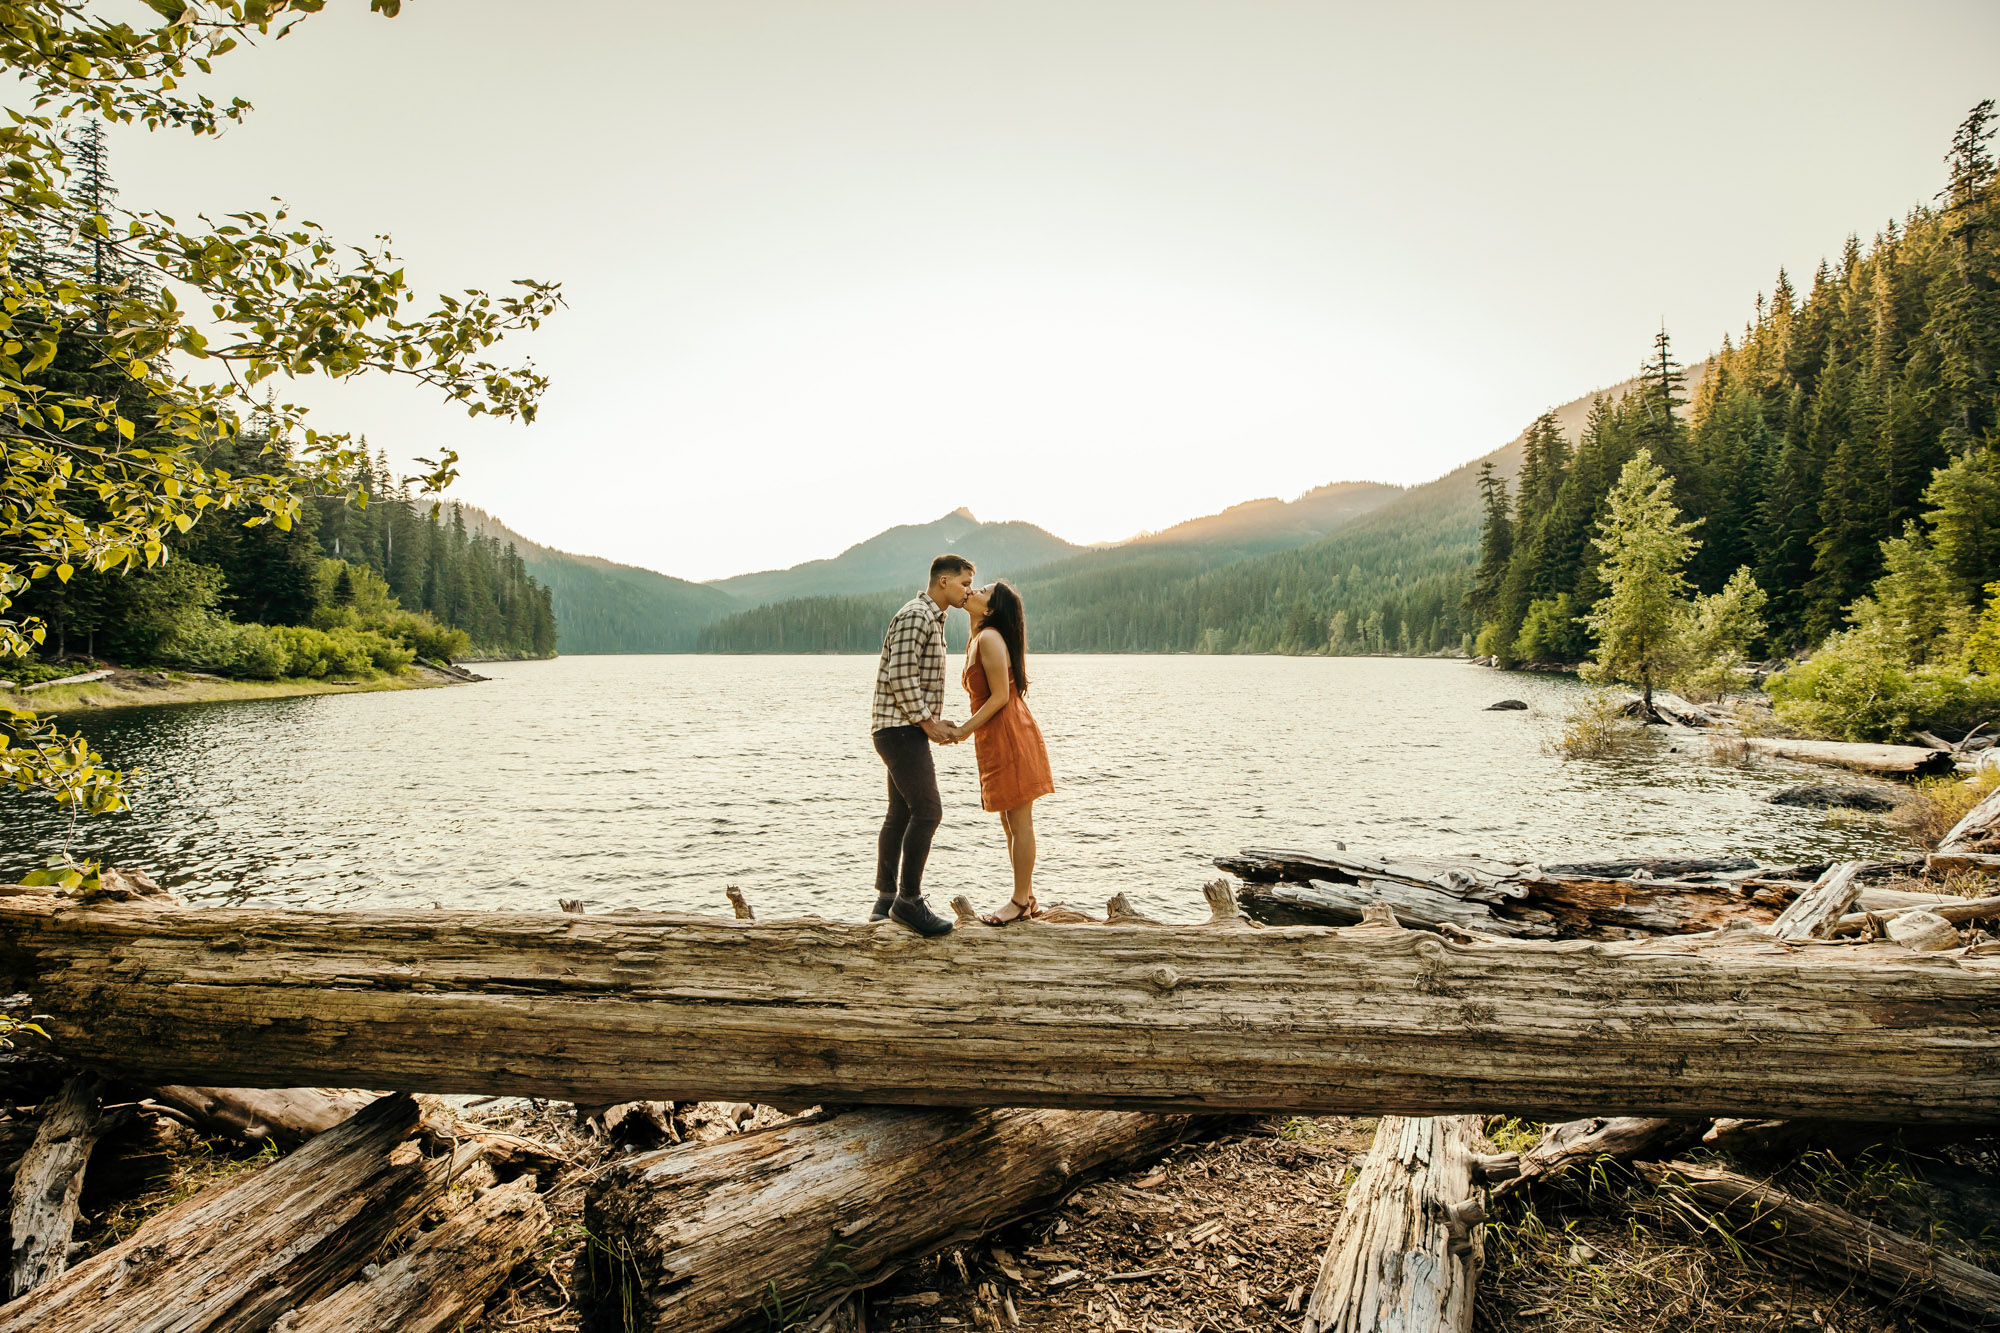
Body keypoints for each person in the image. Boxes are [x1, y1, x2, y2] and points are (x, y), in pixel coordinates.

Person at [869, 553, 976, 937]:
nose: (969, 591)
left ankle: (885, 901)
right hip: (900, 729)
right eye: (965, 583)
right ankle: (908, 903)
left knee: (900, 814)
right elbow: (901, 676)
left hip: (901, 728)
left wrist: (932, 723)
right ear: (943, 581)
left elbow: (912, 681)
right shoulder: (918, 614)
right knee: (928, 812)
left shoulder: (932, 618)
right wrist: (927, 723)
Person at [957, 580, 1055, 924]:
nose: (973, 591)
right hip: (995, 737)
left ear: (992, 609)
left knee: (1019, 821)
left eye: (981, 590)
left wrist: (961, 731)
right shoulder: (977, 636)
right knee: (1009, 823)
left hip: (1010, 732)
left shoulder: (990, 639)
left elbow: (999, 697)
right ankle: (1026, 897)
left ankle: (1019, 901)